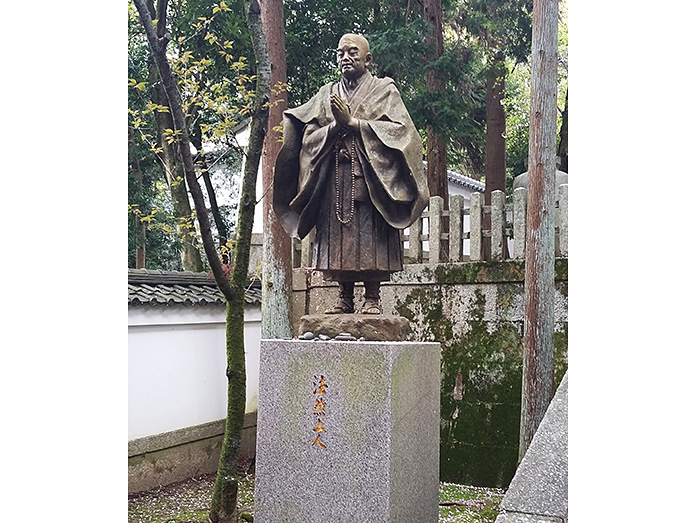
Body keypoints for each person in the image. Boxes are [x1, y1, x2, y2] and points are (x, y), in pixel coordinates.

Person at [273, 33, 428, 315]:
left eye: (352, 52)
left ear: (368, 59)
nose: (345, 57)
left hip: (372, 181)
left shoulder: (384, 91)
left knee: (371, 235)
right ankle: (343, 297)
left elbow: (402, 133)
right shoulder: (326, 94)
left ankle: (372, 297)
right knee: (336, 238)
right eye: (340, 52)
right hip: (334, 179)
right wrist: (334, 127)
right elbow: (308, 137)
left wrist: (354, 123)